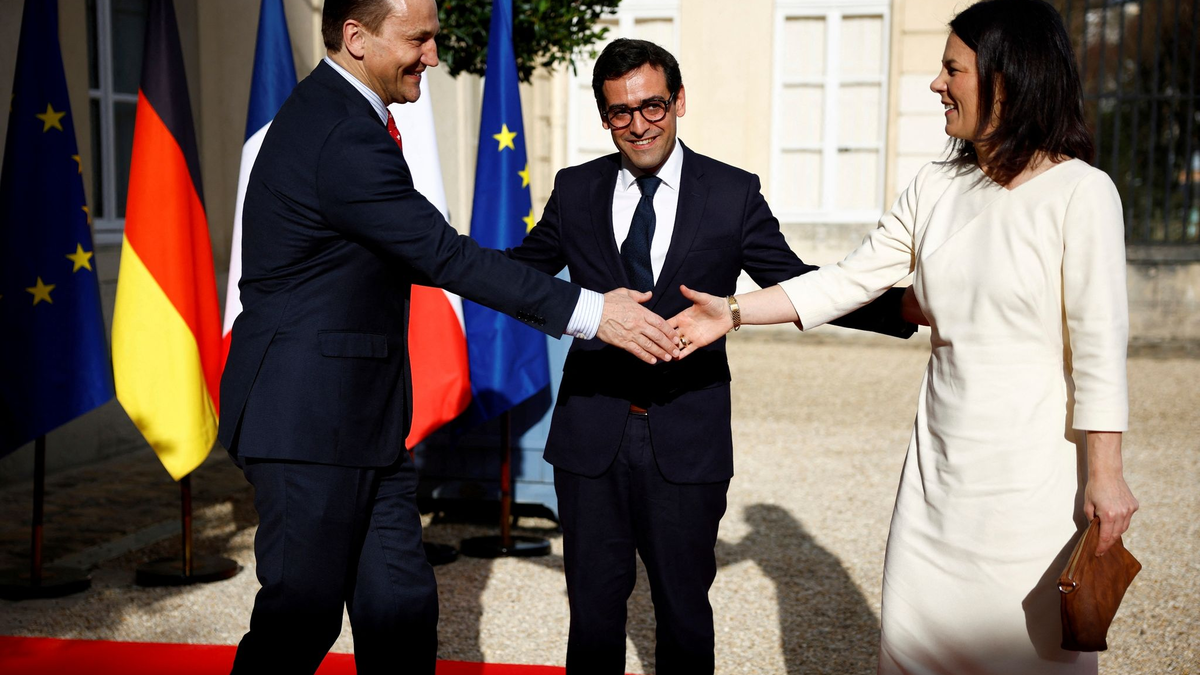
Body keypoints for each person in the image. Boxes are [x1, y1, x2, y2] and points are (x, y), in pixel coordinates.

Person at [670, 1, 1139, 673]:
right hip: (935, 486)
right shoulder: (936, 186)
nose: (936, 84)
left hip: (1028, 493)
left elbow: (1099, 348)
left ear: (1006, 78)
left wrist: (1107, 475)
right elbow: (846, 278)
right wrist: (733, 312)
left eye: (952, 68)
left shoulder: (1081, 193)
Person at [217, 2, 683, 673]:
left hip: (364, 419)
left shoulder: (347, 119)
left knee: (401, 607)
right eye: (420, 39)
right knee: (300, 617)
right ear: (356, 38)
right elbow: (441, 255)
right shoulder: (338, 133)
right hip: (306, 423)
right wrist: (591, 312)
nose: (433, 56)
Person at [507, 38, 915, 674]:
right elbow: (517, 280)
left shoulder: (731, 192)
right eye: (620, 112)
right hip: (590, 436)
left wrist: (907, 309)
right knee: (591, 616)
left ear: (679, 102)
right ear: (603, 116)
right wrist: (576, 305)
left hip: (686, 437)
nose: (639, 124)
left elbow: (796, 278)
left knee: (684, 615)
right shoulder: (576, 188)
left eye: (653, 106)